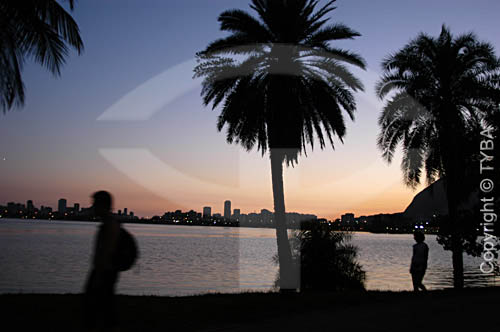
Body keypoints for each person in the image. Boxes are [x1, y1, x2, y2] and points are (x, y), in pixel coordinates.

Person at [83, 191, 121, 331]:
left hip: (104, 272)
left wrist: (99, 275)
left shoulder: (110, 225)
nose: (93, 207)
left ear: (102, 205)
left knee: (99, 308)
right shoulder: (109, 223)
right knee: (106, 307)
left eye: (95, 204)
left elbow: (106, 251)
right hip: (106, 271)